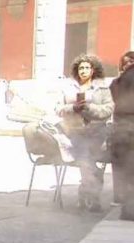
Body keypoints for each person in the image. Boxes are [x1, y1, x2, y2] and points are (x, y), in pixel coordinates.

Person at [57, 54, 113, 212]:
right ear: (77, 70)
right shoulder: (68, 88)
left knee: (89, 160)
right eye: (81, 68)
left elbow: (109, 109)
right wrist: (72, 108)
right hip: (75, 132)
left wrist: (90, 108)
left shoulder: (102, 88)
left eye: (87, 67)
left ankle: (86, 194)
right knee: (86, 159)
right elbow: (57, 109)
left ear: (93, 70)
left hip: (97, 132)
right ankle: (92, 197)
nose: (84, 70)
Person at [111, 51, 134, 220]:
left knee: (124, 170)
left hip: (121, 130)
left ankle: (126, 208)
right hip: (127, 129)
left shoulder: (117, 82)